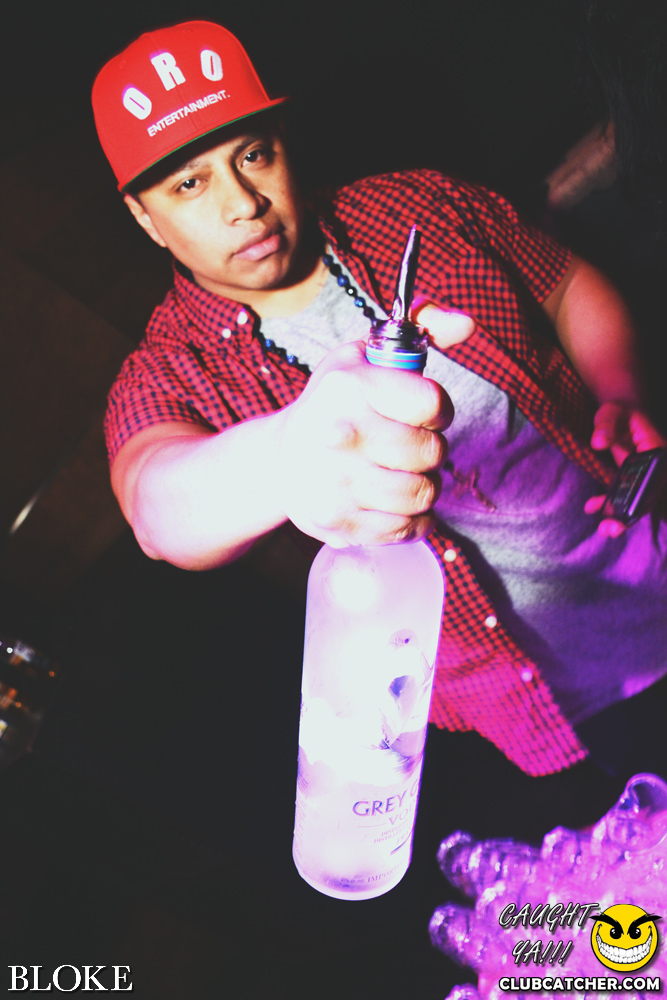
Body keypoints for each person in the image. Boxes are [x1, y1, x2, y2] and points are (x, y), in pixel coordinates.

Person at [92, 20, 667, 785]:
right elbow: (153, 501)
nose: (242, 203)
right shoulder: (171, 371)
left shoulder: (411, 206)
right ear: (143, 215)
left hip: (649, 555)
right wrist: (287, 455)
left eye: (252, 155)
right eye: (188, 184)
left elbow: (562, 282)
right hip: (565, 700)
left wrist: (618, 387)